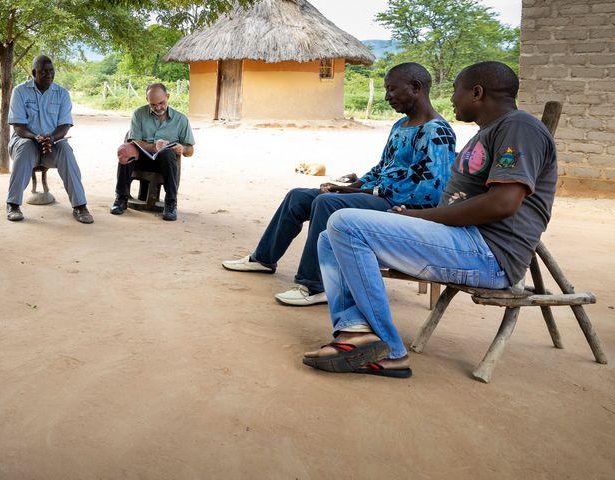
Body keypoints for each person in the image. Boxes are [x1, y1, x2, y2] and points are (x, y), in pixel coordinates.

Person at [302, 61, 556, 378]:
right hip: (462, 240)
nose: (451, 99)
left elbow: (503, 203)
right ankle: (355, 332)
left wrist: (422, 216)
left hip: (487, 252)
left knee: (344, 222)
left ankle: (389, 350)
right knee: (330, 236)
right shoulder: (492, 131)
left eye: (455, 91)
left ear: (477, 93)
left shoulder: (519, 127)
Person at [222, 63, 456, 306]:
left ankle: (315, 285)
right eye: (386, 90)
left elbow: (427, 192)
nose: (387, 97)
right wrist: (350, 187)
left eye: (392, 90)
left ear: (416, 87)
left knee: (327, 203)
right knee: (298, 196)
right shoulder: (400, 126)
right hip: (378, 196)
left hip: (400, 209)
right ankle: (263, 258)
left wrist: (358, 192)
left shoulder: (437, 132)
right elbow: (381, 169)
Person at [5, 55, 92, 224]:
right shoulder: (20, 91)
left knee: (66, 151)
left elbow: (64, 126)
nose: (49, 75)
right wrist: (36, 137)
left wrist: (51, 138)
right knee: (25, 148)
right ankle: (13, 204)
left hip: (53, 143)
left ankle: (80, 206)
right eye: (44, 71)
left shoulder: (62, 94)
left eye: (51, 71)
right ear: (33, 72)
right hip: (26, 140)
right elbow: (18, 126)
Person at [112, 83, 195, 221]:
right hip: (141, 159)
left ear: (167, 97)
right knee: (125, 150)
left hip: (165, 163)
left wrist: (183, 148)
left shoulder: (181, 119)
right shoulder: (139, 114)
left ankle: (170, 203)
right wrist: (154, 147)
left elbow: (190, 151)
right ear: (147, 100)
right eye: (153, 105)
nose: (158, 107)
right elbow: (134, 141)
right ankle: (121, 198)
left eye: (161, 103)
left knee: (168, 154)